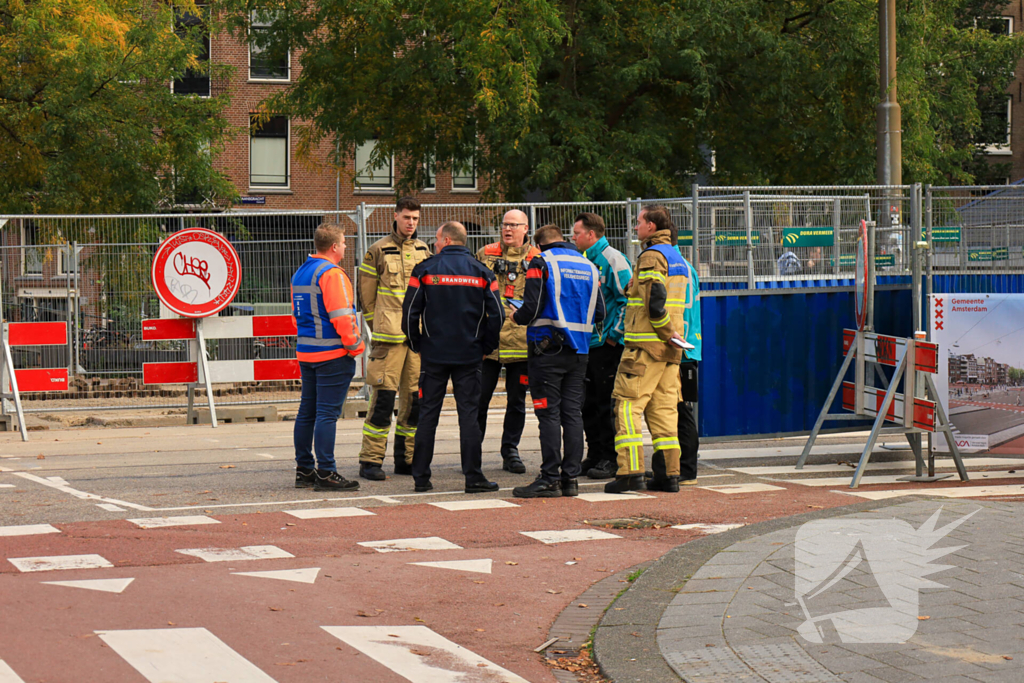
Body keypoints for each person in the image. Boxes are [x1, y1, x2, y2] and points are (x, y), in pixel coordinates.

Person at [402, 221, 504, 494]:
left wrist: (417, 344)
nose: (434, 244)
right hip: (470, 354)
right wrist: (487, 346)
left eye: (436, 240)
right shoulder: (483, 272)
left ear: (446, 240)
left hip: (433, 353)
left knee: (428, 415)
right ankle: (474, 477)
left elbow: (410, 311)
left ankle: (421, 478)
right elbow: (497, 314)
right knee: (468, 416)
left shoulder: (424, 269)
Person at [511, 225, 604, 498]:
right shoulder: (590, 266)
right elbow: (599, 313)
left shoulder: (540, 262)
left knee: (548, 414)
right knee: (572, 414)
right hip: (580, 352)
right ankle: (570, 479)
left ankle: (550, 477)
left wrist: (514, 317)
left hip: (547, 352)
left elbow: (530, 308)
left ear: (538, 245)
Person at [606, 205, 691, 494]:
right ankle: (669, 475)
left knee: (626, 406)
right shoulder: (677, 257)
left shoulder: (651, 256)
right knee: (664, 411)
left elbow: (654, 301)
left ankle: (629, 472)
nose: (636, 226)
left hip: (645, 347)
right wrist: (672, 337)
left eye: (639, 221)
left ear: (652, 226)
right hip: (669, 352)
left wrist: (665, 332)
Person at [356, 197, 431, 481]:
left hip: (416, 340)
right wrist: (379, 327)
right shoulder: (377, 250)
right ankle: (370, 460)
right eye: (406, 217)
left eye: (415, 218)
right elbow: (366, 296)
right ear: (396, 216)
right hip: (388, 341)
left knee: (414, 402)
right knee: (383, 401)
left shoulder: (425, 250)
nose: (410, 223)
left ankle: (405, 459)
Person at [291, 223, 365, 491]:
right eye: (344, 243)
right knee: (326, 415)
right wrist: (356, 345)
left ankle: (304, 469)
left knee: (307, 412)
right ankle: (327, 472)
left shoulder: (302, 271)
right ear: (334, 246)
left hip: (307, 352)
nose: (345, 247)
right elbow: (342, 316)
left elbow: (298, 314)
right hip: (332, 354)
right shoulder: (333, 274)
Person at [475, 209, 541, 474]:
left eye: (514, 225)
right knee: (479, 400)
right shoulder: (485, 253)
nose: (508, 229)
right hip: (488, 344)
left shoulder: (537, 258)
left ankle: (510, 451)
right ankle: (472, 450)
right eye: (505, 224)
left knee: (516, 401)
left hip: (522, 345)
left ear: (526, 228)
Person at [571, 212, 632, 480]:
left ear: (591, 235)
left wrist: (613, 336)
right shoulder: (585, 260)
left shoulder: (613, 260)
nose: (573, 237)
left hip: (606, 346)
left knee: (606, 404)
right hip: (589, 345)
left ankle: (610, 457)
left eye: (576, 233)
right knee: (588, 404)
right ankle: (595, 453)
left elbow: (627, 300)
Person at [674, 237, 702, 488]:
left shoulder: (676, 265)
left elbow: (681, 309)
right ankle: (681, 467)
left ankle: (687, 469)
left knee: (682, 412)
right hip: (685, 349)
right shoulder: (682, 264)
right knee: (679, 411)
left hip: (682, 351)